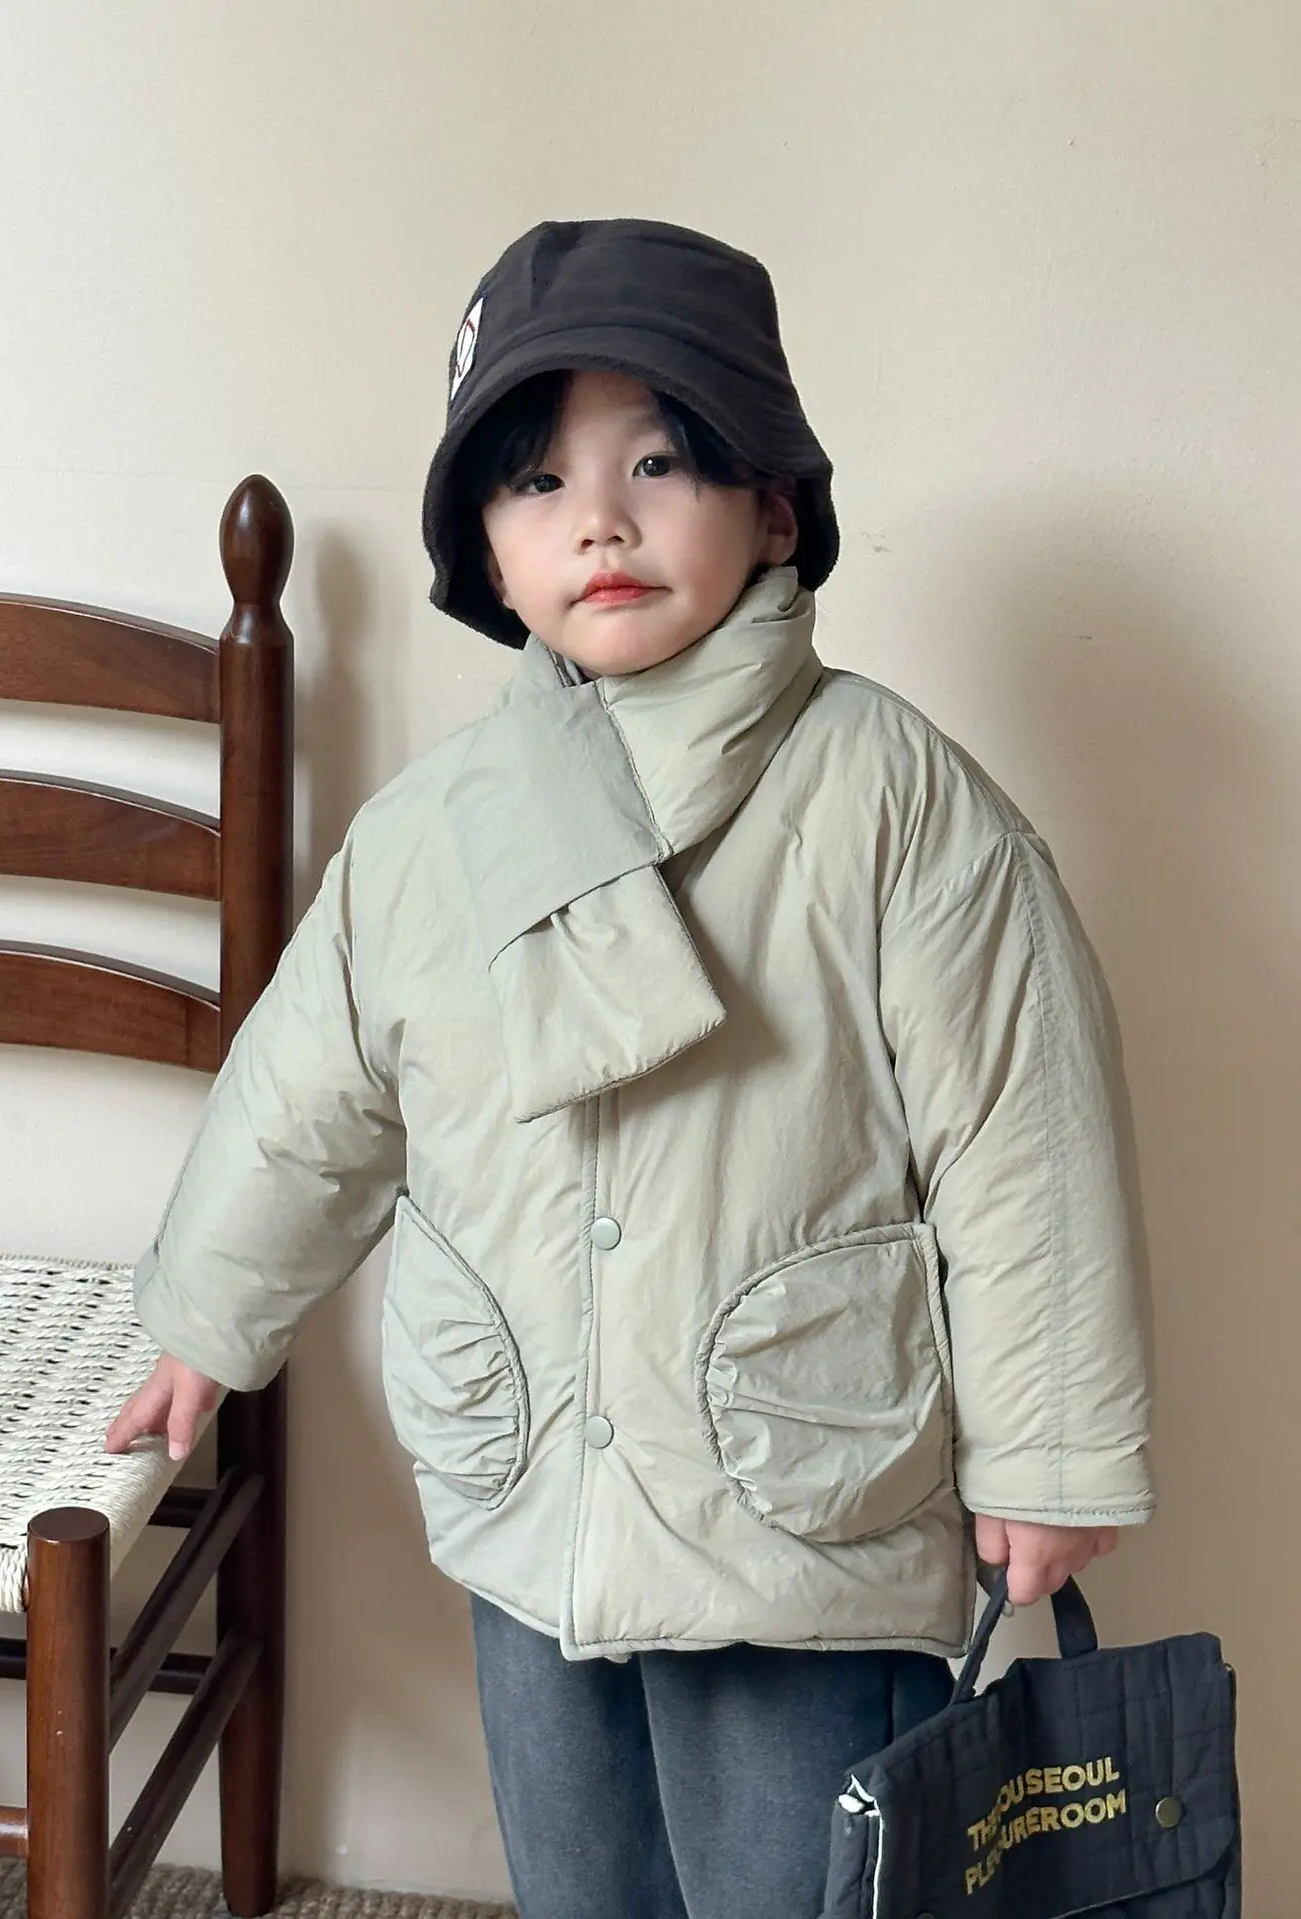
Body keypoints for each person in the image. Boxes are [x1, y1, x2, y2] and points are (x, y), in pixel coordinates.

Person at [106, 219, 1153, 1919]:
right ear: (489, 551)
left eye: (658, 461)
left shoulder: (894, 802)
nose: (598, 518)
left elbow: (1024, 1136)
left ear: (774, 506)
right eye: (538, 481)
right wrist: (210, 1313)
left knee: (798, 1884)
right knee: (579, 1877)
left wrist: (1046, 1452)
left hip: (797, 1507)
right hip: (538, 1478)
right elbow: (313, 1089)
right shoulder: (430, 834)